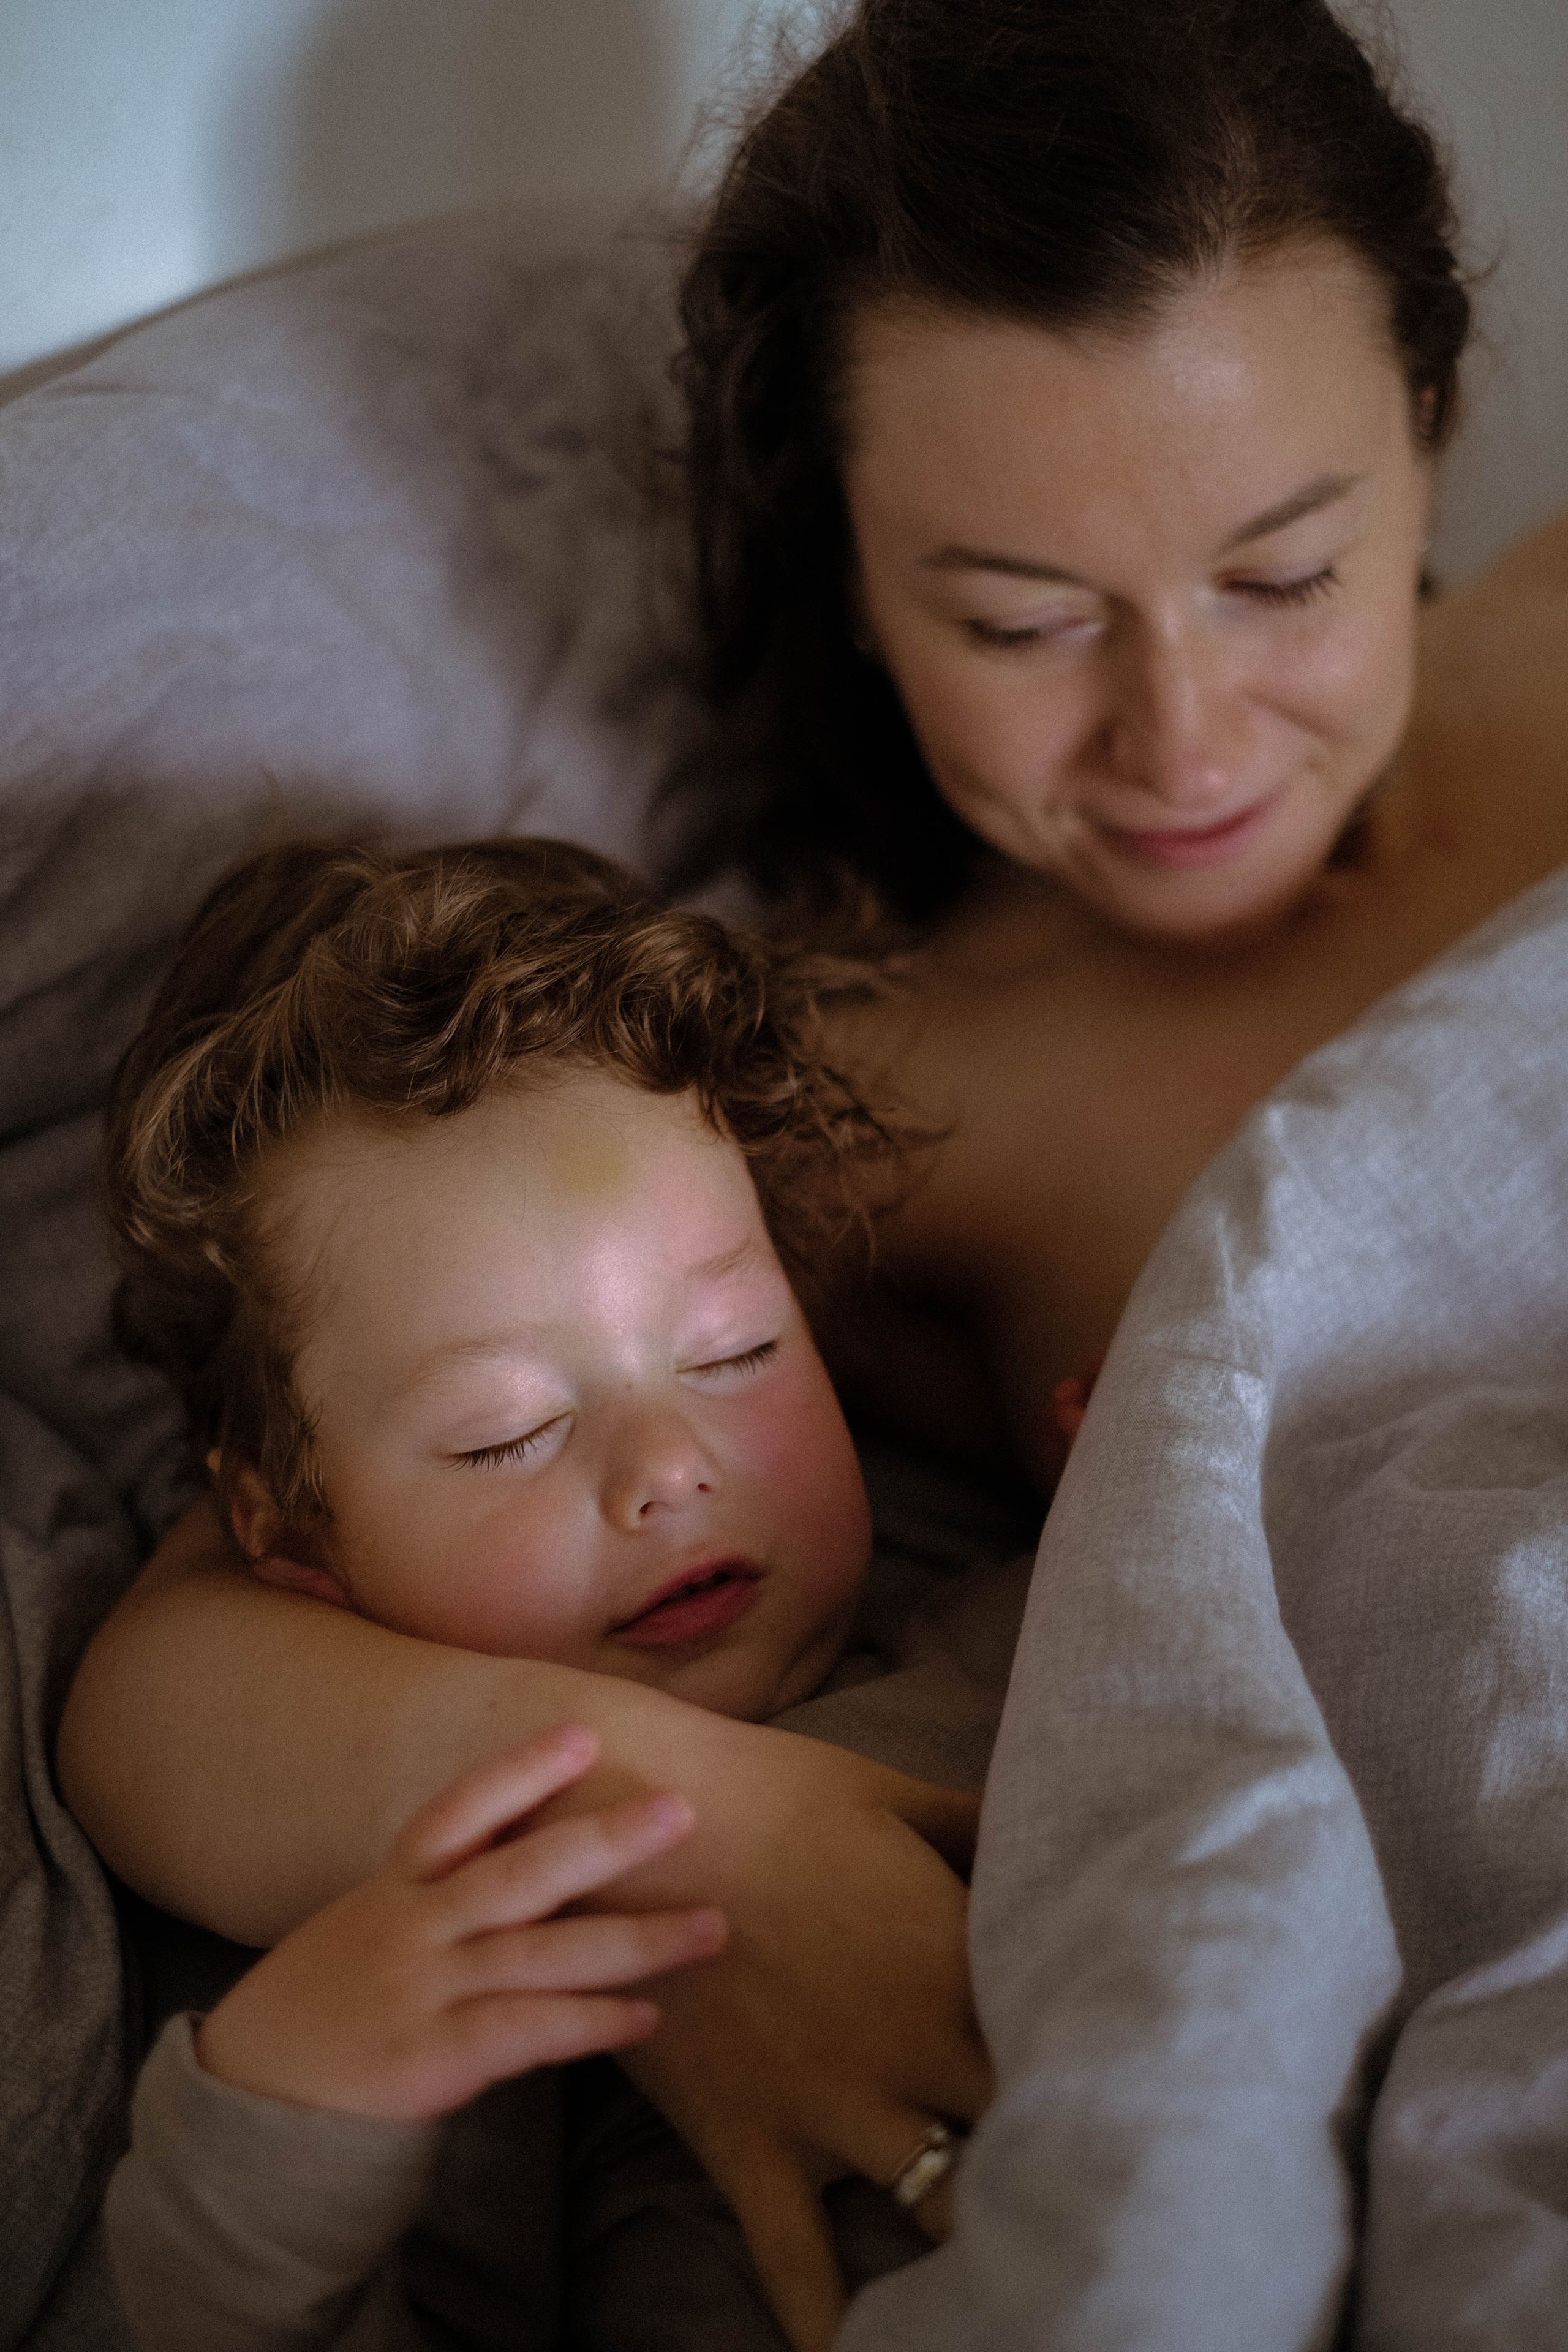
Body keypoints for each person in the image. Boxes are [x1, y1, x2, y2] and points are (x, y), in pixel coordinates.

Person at [58, 0, 1568, 2338]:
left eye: (1286, 572)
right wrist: (680, 1827)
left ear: (1435, 432)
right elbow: (181, 1671)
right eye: (1019, 618)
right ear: (853, 574)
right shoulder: (857, 1093)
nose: (1183, 737)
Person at [97, 836, 1016, 2351]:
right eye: (504, 1434)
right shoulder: (435, 1952)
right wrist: (287, 2106)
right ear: (287, 1526)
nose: (669, 1467)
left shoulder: (1015, 1603)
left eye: (735, 1349)